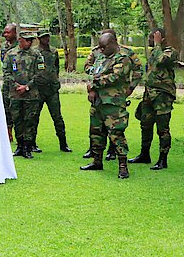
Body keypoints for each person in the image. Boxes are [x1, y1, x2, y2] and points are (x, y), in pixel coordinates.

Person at [80, 32, 133, 179]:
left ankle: (123, 166)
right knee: (96, 132)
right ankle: (97, 161)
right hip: (98, 103)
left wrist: (95, 83)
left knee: (116, 133)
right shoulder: (101, 58)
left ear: (112, 43)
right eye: (100, 48)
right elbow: (92, 73)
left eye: (104, 47)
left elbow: (115, 77)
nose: (101, 50)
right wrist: (91, 87)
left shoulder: (122, 58)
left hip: (113, 103)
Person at [130, 29, 176, 170]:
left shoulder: (170, 51)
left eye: (153, 37)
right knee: (145, 124)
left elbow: (162, 61)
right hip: (149, 94)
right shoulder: (153, 52)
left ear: (161, 39)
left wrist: (157, 44)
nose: (150, 40)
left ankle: (163, 159)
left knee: (162, 128)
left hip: (163, 95)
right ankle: (144, 154)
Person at [3, 31, 41, 159]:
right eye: (27, 40)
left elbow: (40, 73)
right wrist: (16, 86)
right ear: (20, 40)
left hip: (31, 94)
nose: (29, 43)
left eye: (31, 40)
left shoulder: (36, 54)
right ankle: (19, 146)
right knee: (17, 120)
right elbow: (6, 73)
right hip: (15, 94)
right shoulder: (11, 54)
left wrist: (27, 86)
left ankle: (27, 147)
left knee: (29, 121)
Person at [35, 29, 70, 152]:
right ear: (39, 39)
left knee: (57, 117)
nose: (46, 39)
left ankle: (63, 143)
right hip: (38, 89)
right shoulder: (34, 52)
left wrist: (55, 80)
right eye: (44, 37)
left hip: (52, 90)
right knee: (34, 117)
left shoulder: (54, 51)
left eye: (47, 37)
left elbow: (56, 68)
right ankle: (32, 144)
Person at [0, 24, 18, 143]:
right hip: (7, 83)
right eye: (5, 32)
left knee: (17, 110)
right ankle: (8, 133)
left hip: (18, 82)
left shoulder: (19, 46)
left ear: (14, 33)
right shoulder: (4, 46)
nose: (5, 35)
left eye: (8, 32)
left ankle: (21, 135)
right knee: (6, 108)